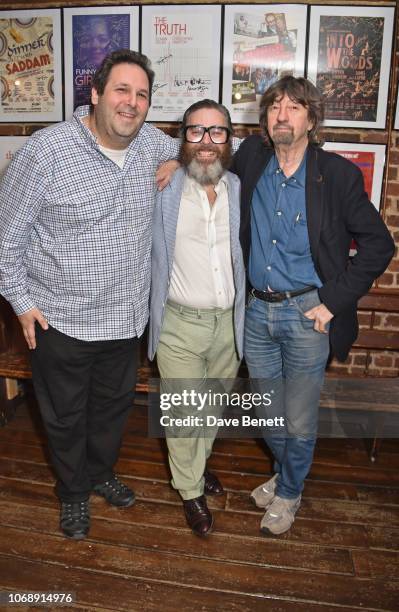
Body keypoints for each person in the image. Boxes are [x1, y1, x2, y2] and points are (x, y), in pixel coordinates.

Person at [0, 49, 180, 540]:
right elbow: (5, 238)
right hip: (59, 321)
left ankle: (100, 472)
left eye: (142, 95)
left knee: (111, 412)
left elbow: (194, 145)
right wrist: (21, 303)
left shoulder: (150, 147)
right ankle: (74, 492)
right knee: (63, 418)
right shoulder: (45, 152)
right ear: (96, 94)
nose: (132, 103)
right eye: (122, 90)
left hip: (125, 322)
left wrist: (177, 161)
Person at [231, 76, 394, 535]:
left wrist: (331, 302)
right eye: (274, 107)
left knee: (298, 417)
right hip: (256, 312)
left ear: (312, 119)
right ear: (264, 118)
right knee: (267, 412)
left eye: (295, 107)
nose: (282, 115)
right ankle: (289, 475)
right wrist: (168, 165)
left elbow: (379, 246)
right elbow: (203, 154)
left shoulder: (337, 174)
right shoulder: (251, 158)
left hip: (308, 315)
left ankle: (289, 492)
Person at [148, 100, 245, 537]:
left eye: (217, 132)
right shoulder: (162, 186)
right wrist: (169, 159)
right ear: (182, 135)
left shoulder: (238, 187)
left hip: (229, 323)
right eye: (196, 131)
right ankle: (189, 491)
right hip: (178, 325)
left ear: (229, 139)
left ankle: (196, 467)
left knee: (210, 410)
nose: (206, 142)